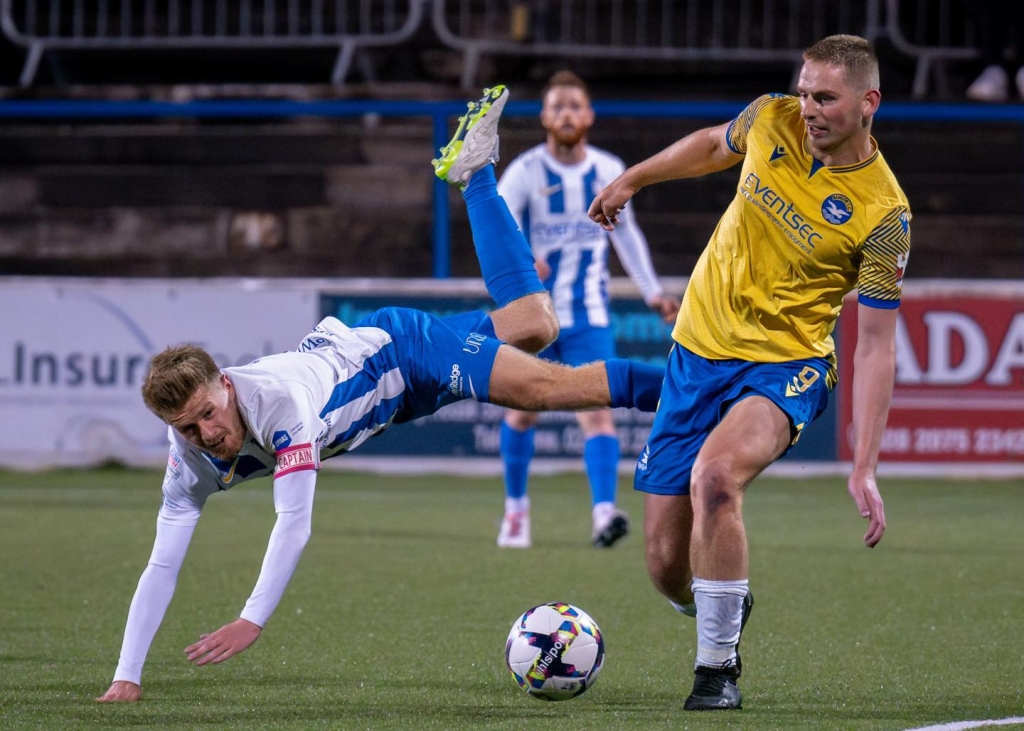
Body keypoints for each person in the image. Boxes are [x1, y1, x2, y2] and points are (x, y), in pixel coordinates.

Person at [96, 85, 666, 703]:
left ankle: (688, 391)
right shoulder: (188, 461)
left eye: (207, 414)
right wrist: (126, 676)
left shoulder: (279, 407)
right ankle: (474, 172)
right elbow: (161, 564)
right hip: (395, 396)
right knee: (536, 322)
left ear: (225, 386)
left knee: (542, 389)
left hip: (399, 350)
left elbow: (293, 523)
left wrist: (251, 618)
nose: (207, 434)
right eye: (186, 428)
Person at [589, 35, 910, 711]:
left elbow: (876, 345)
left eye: (824, 97)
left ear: (867, 102)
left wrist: (865, 464)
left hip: (785, 366)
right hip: (697, 350)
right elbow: (711, 144)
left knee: (716, 476)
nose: (809, 107)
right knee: (664, 568)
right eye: (803, 91)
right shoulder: (771, 119)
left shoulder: (885, 215)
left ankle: (716, 670)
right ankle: (717, 599)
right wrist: (632, 178)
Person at [495, 70, 679, 550]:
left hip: (591, 314)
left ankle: (603, 514)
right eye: (558, 107)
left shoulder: (607, 168)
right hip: (537, 318)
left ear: (589, 115)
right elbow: (502, 234)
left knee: (597, 413)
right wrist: (521, 260)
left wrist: (652, 292)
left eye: (575, 105)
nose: (567, 114)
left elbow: (629, 236)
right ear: (544, 118)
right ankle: (516, 511)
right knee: (522, 413)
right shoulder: (525, 172)